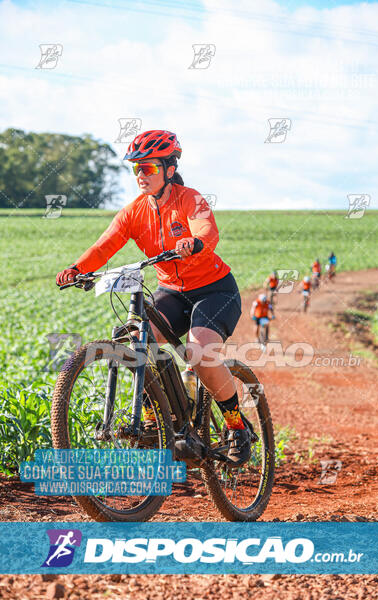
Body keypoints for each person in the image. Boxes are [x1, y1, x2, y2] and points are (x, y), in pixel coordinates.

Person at [56, 130, 250, 465]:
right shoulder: (134, 212)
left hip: (214, 290)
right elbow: (105, 246)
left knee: (199, 349)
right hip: (171, 291)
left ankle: (237, 427)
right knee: (134, 340)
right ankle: (152, 417)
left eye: (148, 168)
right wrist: (77, 268)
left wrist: (195, 242)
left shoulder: (190, 198)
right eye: (136, 169)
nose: (141, 176)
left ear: (169, 169)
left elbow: (207, 229)